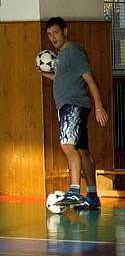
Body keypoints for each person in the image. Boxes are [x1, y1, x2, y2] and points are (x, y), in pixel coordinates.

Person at [40, 17, 109, 209]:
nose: (52, 37)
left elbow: (90, 79)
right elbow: (65, 78)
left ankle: (74, 191)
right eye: (49, 34)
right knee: (81, 151)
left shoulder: (73, 52)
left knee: (67, 145)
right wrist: (47, 74)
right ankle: (92, 195)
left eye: (55, 32)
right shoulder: (61, 55)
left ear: (65, 31)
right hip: (68, 107)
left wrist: (99, 106)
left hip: (74, 106)